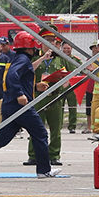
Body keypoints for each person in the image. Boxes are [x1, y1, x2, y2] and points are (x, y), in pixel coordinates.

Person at [0, 32, 60, 179]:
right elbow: (12, 77)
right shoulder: (23, 59)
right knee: (40, 133)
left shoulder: (14, 59)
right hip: (21, 107)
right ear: (29, 48)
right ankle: (44, 170)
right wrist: (19, 94)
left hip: (9, 105)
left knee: (3, 138)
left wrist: (34, 87)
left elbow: (17, 79)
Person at [26, 27, 68, 166]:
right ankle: (33, 155)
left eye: (52, 40)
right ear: (41, 42)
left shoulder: (61, 58)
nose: (50, 43)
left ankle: (54, 155)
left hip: (55, 97)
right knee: (35, 127)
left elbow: (74, 71)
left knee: (55, 128)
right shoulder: (35, 57)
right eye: (46, 40)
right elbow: (27, 70)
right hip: (38, 97)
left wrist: (66, 81)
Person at [62, 42, 79, 133]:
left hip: (72, 86)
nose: (66, 50)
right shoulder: (59, 59)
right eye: (64, 48)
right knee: (59, 107)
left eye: (68, 48)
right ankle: (59, 125)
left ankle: (72, 126)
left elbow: (82, 69)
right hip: (61, 86)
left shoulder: (76, 60)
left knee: (72, 107)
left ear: (71, 49)